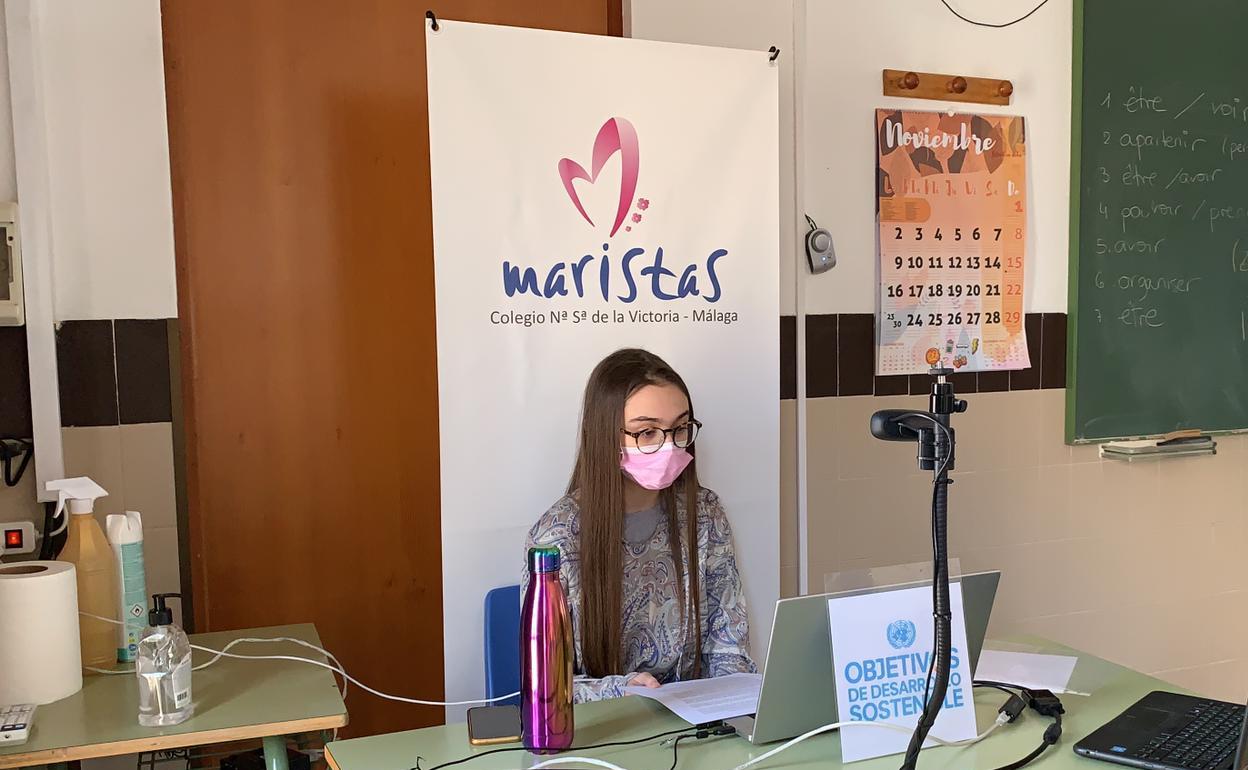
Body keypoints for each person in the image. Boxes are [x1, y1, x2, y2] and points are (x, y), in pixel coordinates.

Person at [524, 348, 755, 702]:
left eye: (680, 429)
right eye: (646, 433)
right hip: (604, 730)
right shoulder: (556, 538)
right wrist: (621, 689)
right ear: (606, 435)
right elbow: (545, 685)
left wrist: (728, 703)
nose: (669, 445)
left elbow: (729, 650)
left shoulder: (705, 515)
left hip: (692, 723)